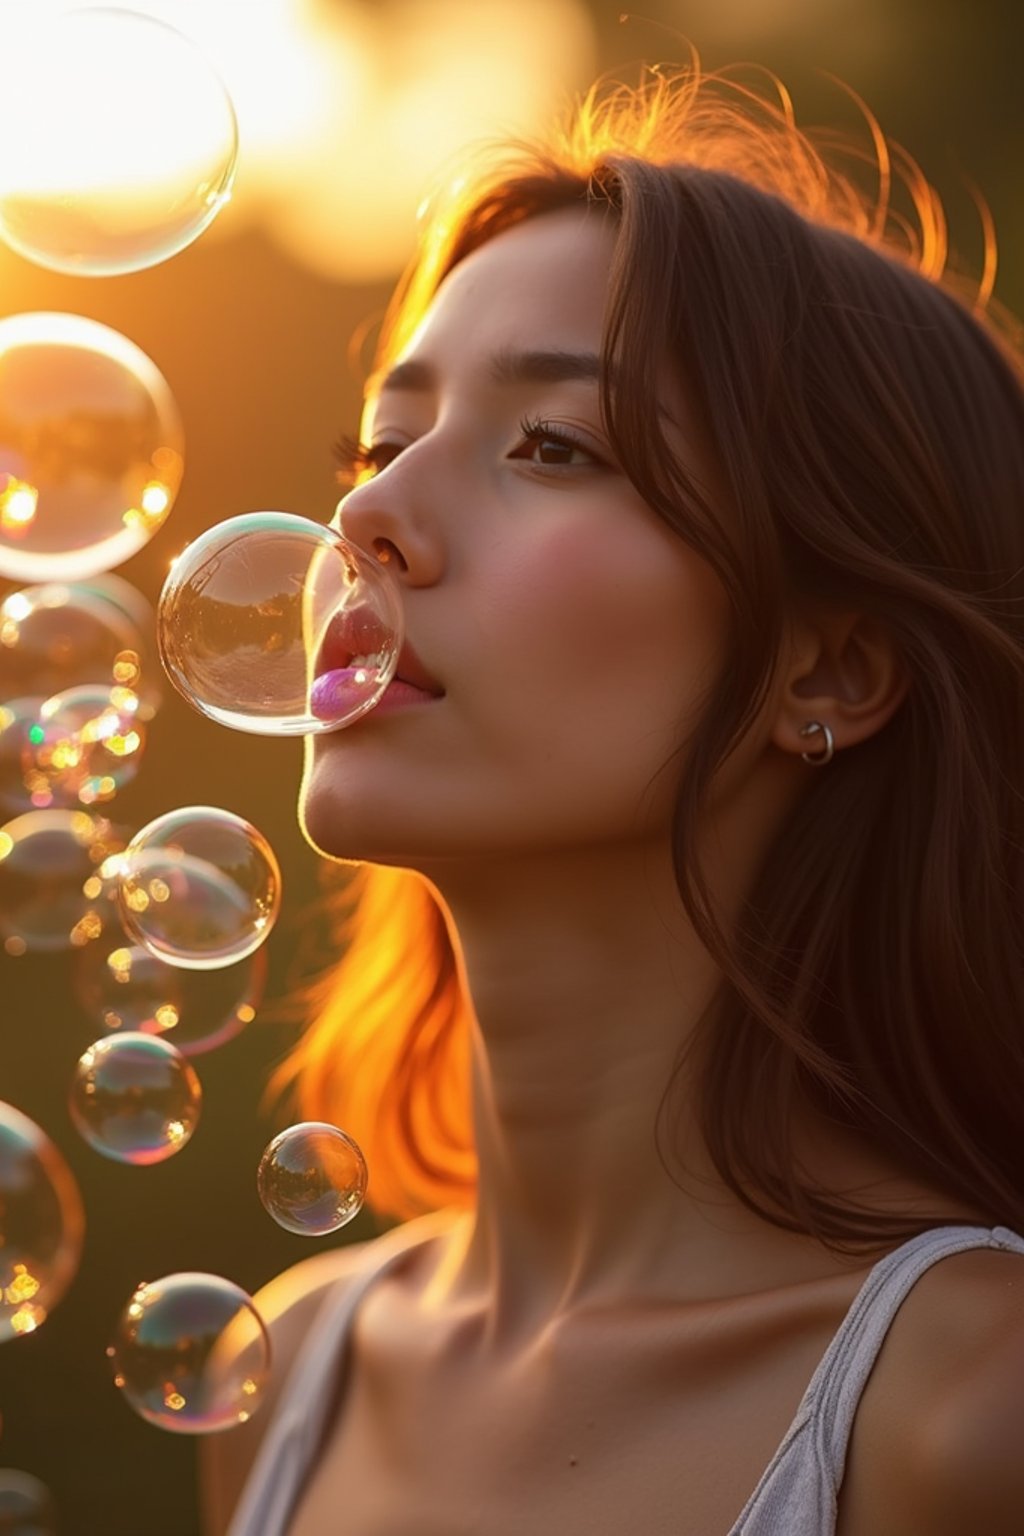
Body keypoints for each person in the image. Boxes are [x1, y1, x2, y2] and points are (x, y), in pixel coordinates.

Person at [201, 57, 1024, 1536]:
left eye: (554, 447)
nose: (368, 513)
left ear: (825, 674)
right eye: (381, 444)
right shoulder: (294, 1364)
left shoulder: (974, 1412)